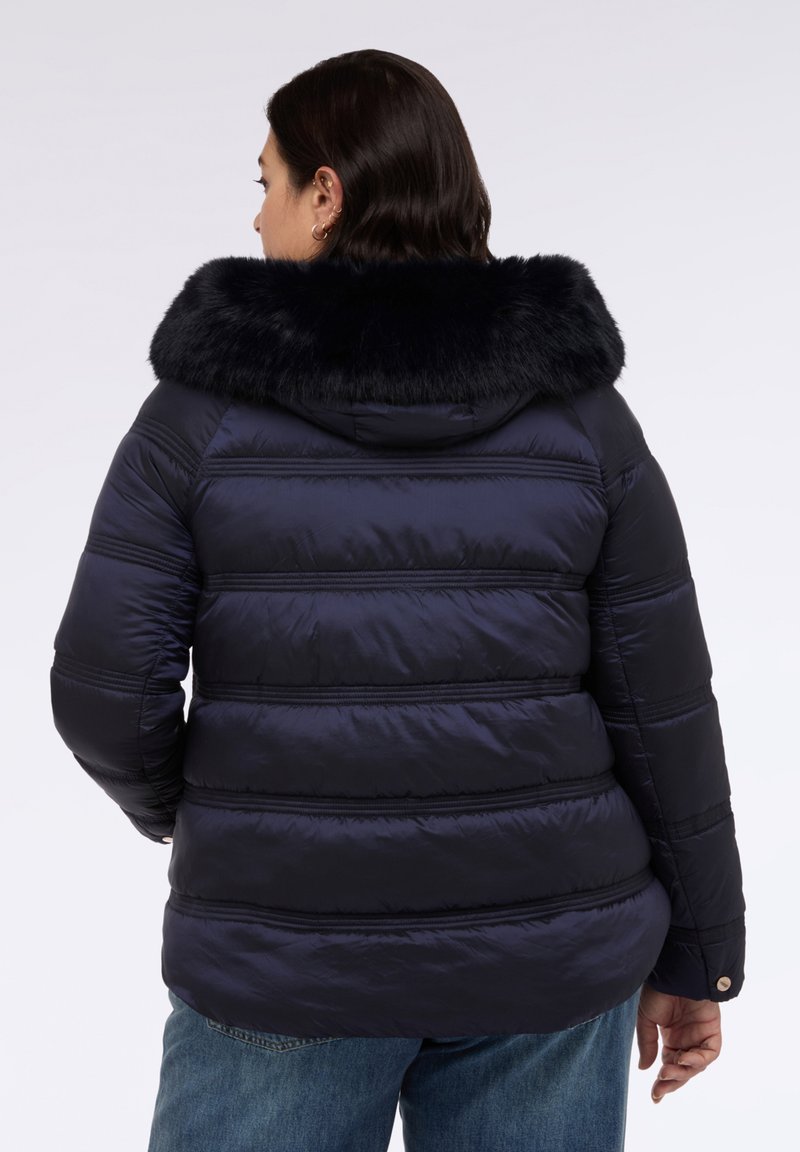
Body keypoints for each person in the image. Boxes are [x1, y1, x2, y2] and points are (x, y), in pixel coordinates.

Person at [49, 48, 745, 1152]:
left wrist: (213, 815)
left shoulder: (198, 416)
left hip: (284, 952)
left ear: (326, 194)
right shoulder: (581, 418)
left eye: (268, 182)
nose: (258, 215)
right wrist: (700, 953)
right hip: (547, 959)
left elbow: (103, 692)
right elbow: (664, 711)